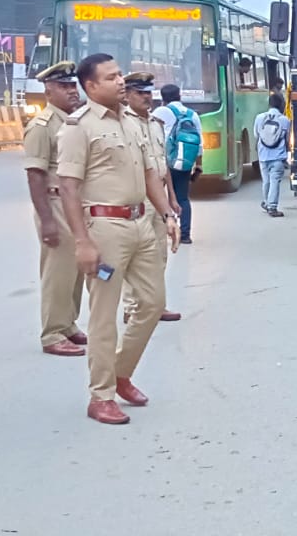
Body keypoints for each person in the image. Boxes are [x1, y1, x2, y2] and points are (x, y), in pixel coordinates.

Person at [57, 54, 181, 426]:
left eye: (119, 75)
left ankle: (120, 372)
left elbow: (149, 175)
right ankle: (101, 395)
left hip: (141, 224)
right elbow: (67, 187)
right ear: (90, 86)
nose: (120, 82)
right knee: (104, 315)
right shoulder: (78, 127)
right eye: (111, 78)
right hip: (105, 230)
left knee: (152, 302)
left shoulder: (133, 122)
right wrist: (82, 242)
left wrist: (167, 215)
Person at [24, 61, 89, 357]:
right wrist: (47, 220)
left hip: (74, 202)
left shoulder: (75, 121)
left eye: (73, 85)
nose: (72, 91)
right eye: (64, 87)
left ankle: (67, 324)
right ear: (49, 92)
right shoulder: (41, 126)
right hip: (54, 203)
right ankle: (52, 332)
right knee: (57, 271)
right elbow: (35, 174)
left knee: (76, 269)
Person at [121, 72, 183, 324]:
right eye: (140, 93)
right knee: (136, 255)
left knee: (159, 253)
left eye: (149, 93)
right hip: (136, 195)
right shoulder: (123, 123)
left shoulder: (156, 124)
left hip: (158, 197)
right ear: (127, 95)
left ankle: (155, 304)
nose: (147, 97)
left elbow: (162, 164)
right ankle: (132, 306)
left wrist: (172, 197)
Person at [153, 84, 199, 244]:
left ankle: (159, 231)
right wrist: (197, 165)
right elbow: (199, 144)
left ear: (163, 98)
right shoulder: (193, 115)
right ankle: (185, 234)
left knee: (156, 195)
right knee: (182, 198)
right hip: (183, 162)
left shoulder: (160, 112)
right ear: (180, 95)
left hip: (163, 161)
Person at [255, 93, 292, 217]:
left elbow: (256, 135)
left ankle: (267, 203)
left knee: (266, 181)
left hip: (262, 155)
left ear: (269, 104)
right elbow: (287, 139)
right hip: (277, 156)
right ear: (282, 105)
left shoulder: (259, 118)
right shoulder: (285, 120)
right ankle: (272, 207)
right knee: (275, 180)